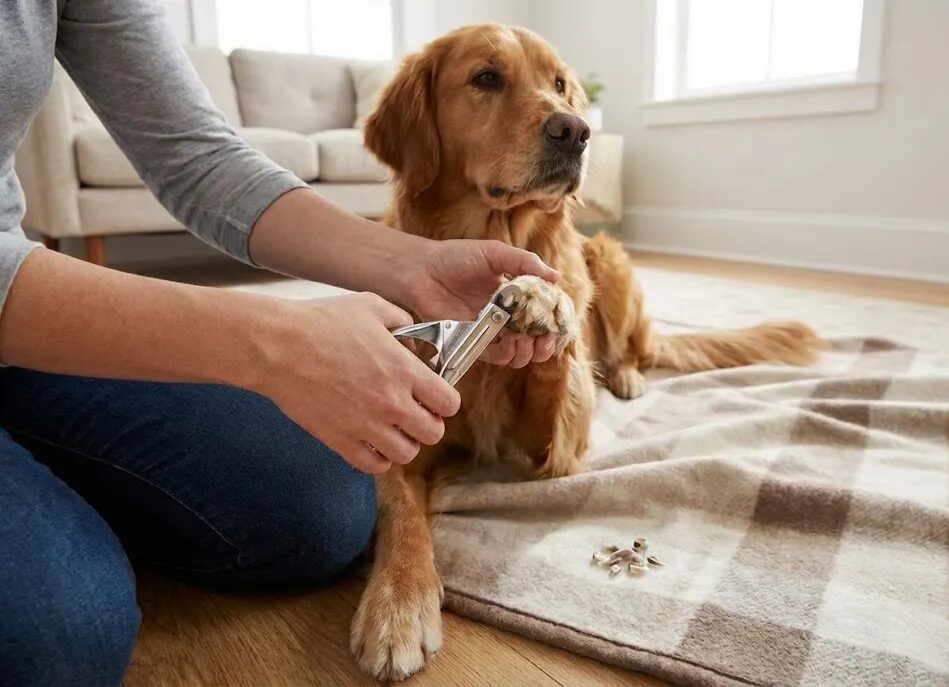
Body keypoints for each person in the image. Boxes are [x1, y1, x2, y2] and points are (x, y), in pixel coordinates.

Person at [0, 2, 560, 685]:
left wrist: (410, 263)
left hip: (24, 331)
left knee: (320, 506)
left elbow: (197, 156)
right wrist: (270, 340)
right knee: (59, 635)